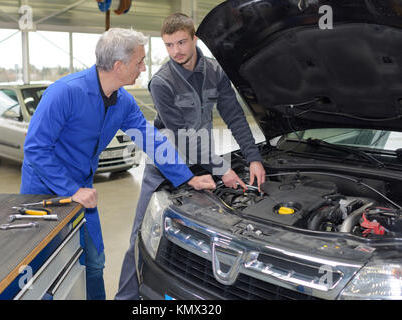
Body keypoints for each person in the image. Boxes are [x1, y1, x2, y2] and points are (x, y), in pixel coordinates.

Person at [20, 27, 216, 300]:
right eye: (139, 62)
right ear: (119, 66)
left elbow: (151, 139)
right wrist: (71, 190)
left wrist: (186, 177)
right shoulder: (64, 93)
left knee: (94, 263)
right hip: (44, 192)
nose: (143, 68)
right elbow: (35, 149)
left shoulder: (122, 101)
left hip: (83, 192)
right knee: (47, 274)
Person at [115, 13, 266, 300]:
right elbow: (182, 134)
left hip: (202, 160)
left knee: (202, 237)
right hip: (165, 165)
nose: (176, 51)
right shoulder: (162, 82)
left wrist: (253, 158)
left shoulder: (214, 72)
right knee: (141, 236)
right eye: (169, 45)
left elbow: (234, 115)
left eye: (182, 42)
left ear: (195, 39)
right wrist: (223, 169)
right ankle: (126, 298)